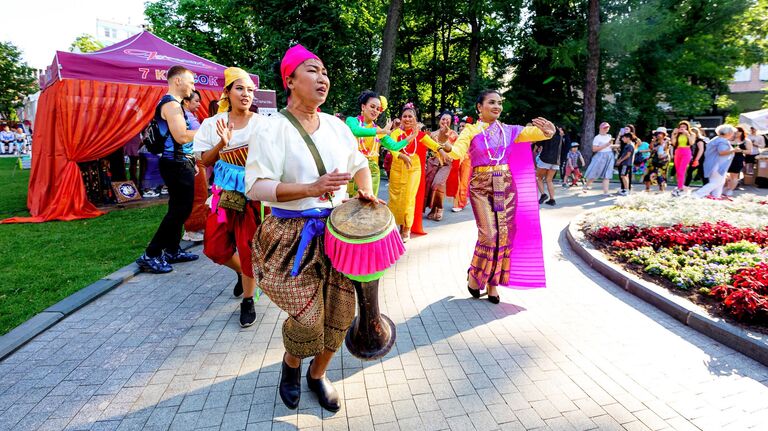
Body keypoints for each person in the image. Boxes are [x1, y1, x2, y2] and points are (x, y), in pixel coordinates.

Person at [245, 45, 377, 413]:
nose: (323, 78)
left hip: (338, 233)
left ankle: (317, 374)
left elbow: (360, 163)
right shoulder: (270, 128)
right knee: (309, 317)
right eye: (312, 71)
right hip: (291, 236)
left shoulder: (336, 126)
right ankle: (291, 365)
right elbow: (256, 186)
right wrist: (311, 188)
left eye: (324, 72)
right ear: (290, 80)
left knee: (339, 312)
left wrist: (363, 189)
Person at [446, 89, 555, 304]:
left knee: (503, 235)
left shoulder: (509, 130)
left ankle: (493, 284)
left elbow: (536, 133)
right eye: (491, 102)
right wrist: (444, 145)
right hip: (480, 187)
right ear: (480, 107)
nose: (497, 106)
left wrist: (548, 132)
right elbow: (456, 152)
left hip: (505, 186)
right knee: (489, 234)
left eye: (499, 103)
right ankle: (475, 275)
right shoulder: (470, 131)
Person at [194, 68, 262, 327]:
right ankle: (242, 273)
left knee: (248, 248)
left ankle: (248, 299)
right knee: (214, 247)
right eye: (240, 88)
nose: (246, 94)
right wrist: (223, 143)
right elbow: (203, 161)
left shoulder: (261, 123)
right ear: (227, 92)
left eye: (250, 90)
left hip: (254, 193)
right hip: (224, 193)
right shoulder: (212, 124)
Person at [136, 65, 200, 273]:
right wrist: (207, 131)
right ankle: (151, 254)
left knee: (179, 209)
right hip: (176, 164)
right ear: (177, 81)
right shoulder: (171, 105)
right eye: (190, 81)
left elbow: (180, 139)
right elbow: (181, 136)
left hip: (179, 162)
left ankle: (172, 250)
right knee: (179, 210)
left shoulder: (175, 105)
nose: (193, 86)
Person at [387, 103, 447, 242]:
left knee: (408, 198)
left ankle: (406, 228)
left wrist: (441, 150)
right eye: (405, 116)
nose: (407, 119)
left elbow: (433, 145)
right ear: (401, 119)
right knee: (396, 198)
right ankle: (394, 226)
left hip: (413, 169)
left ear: (415, 119)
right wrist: (400, 155)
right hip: (397, 168)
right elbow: (392, 149)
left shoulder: (419, 135)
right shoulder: (396, 133)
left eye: (410, 116)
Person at [344, 90, 406, 196]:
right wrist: (381, 131)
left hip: (372, 172)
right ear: (363, 107)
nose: (375, 111)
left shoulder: (377, 129)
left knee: (368, 207)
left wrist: (410, 137)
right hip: (352, 168)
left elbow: (394, 146)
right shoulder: (352, 121)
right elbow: (356, 131)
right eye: (372, 106)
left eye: (378, 109)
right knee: (350, 205)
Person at [182, 90, 207, 243]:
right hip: (191, 159)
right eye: (196, 101)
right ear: (186, 101)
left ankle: (197, 226)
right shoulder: (182, 116)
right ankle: (192, 229)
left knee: (200, 194)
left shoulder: (189, 116)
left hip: (195, 158)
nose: (199, 104)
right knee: (197, 195)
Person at [425, 112, 458, 220]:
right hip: (433, 162)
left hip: (446, 163)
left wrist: (445, 139)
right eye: (443, 119)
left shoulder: (453, 135)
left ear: (451, 123)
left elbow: (455, 150)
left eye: (448, 120)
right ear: (440, 120)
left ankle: (439, 208)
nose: (445, 122)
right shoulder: (433, 133)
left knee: (438, 184)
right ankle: (433, 209)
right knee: (430, 186)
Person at [693, 125, 736, 199]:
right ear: (728, 133)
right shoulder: (722, 141)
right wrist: (735, 150)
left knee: (720, 181)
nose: (733, 134)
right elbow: (722, 152)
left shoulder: (717, 139)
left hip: (714, 164)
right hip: (717, 164)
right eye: (732, 132)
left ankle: (716, 196)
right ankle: (697, 194)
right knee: (716, 182)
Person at [447, 117, 474, 212]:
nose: (461, 128)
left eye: (464, 126)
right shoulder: (459, 137)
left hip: (467, 161)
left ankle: (460, 203)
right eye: (460, 126)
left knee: (463, 181)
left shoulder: (471, 136)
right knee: (457, 180)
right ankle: (461, 200)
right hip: (458, 160)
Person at [535, 127, 564, 206]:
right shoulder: (560, 137)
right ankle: (552, 199)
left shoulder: (546, 135)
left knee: (538, 178)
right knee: (549, 180)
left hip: (545, 160)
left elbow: (537, 146)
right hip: (556, 162)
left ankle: (543, 194)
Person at [583, 122, 615, 194]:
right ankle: (586, 185)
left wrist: (616, 147)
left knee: (607, 175)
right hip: (600, 156)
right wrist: (606, 144)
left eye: (607, 127)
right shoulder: (597, 137)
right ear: (600, 128)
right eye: (605, 127)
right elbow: (594, 149)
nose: (606, 129)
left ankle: (606, 192)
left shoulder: (609, 136)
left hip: (609, 155)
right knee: (594, 173)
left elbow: (610, 146)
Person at [724, 126, 752, 197]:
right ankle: (727, 188)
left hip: (738, 159)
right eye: (735, 131)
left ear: (742, 132)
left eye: (738, 131)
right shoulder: (729, 139)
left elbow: (749, 151)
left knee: (734, 175)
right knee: (728, 175)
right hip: (728, 158)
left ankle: (731, 190)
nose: (736, 133)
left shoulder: (746, 141)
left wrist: (741, 150)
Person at [670, 121, 694, 196]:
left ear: (687, 127)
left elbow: (691, 143)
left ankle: (681, 187)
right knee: (678, 170)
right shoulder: (677, 135)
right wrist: (673, 134)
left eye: (684, 126)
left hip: (686, 151)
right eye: (681, 126)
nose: (682, 128)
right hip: (678, 151)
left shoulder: (692, 134)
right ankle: (679, 186)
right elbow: (673, 143)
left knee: (681, 170)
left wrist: (687, 134)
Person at [644, 127, 670, 192]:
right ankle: (647, 189)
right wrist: (653, 141)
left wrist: (661, 141)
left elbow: (664, 148)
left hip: (662, 161)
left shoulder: (666, 141)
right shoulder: (654, 141)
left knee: (660, 175)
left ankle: (661, 190)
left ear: (664, 134)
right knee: (648, 174)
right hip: (652, 159)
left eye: (660, 133)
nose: (658, 135)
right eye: (658, 133)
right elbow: (651, 148)